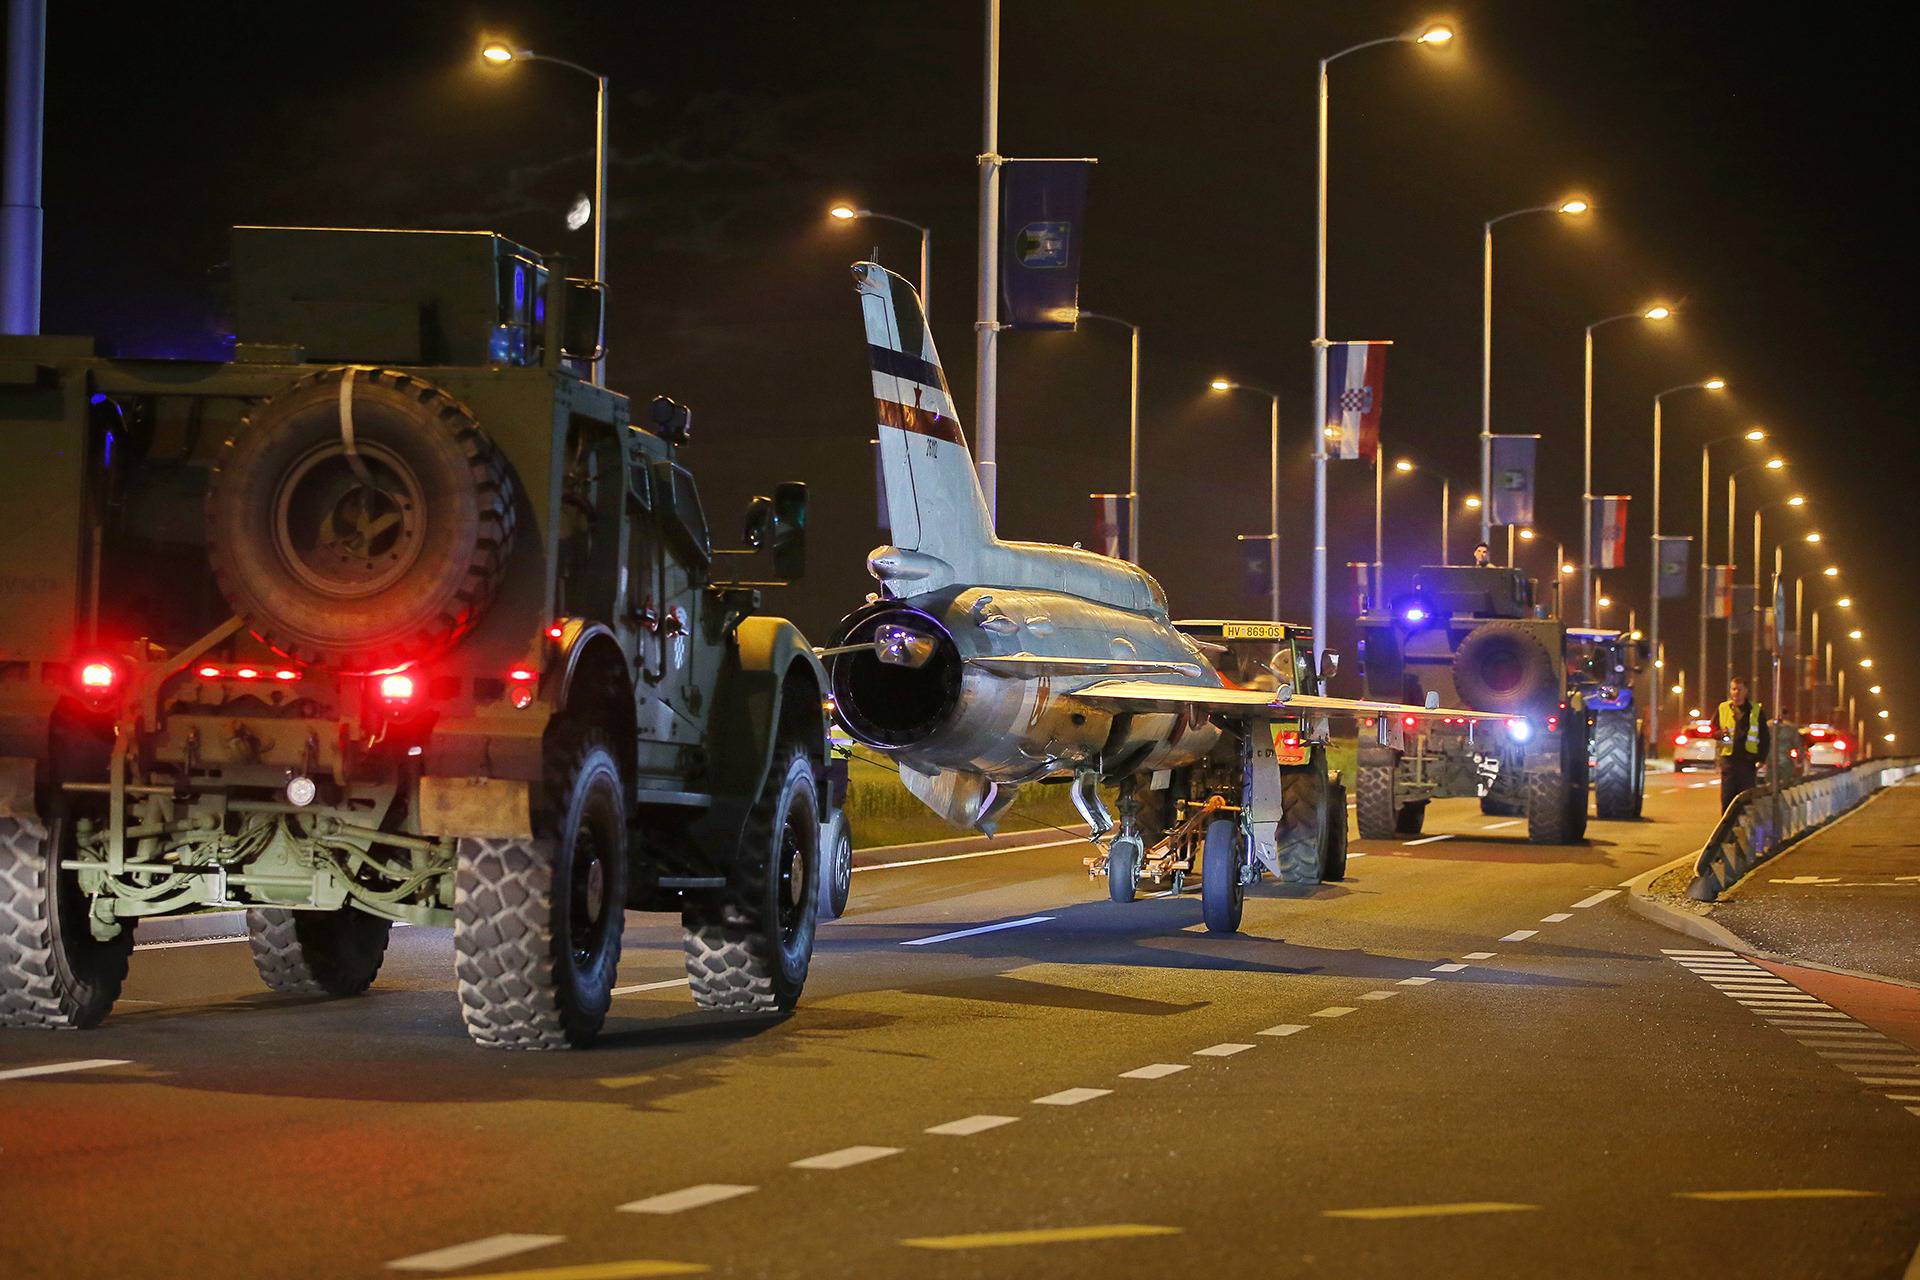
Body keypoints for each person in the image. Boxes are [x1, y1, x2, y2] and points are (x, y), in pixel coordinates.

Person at [1716, 676, 1771, 811]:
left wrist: (1761, 758)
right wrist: (1719, 734)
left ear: (1746, 691)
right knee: (1727, 799)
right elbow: (1713, 729)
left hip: (1747, 762)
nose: (1736, 693)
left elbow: (1764, 737)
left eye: (1739, 689)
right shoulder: (1723, 708)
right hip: (1729, 760)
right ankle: (1728, 830)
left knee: (1745, 800)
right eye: (1733, 689)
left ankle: (1744, 829)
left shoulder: (1756, 711)